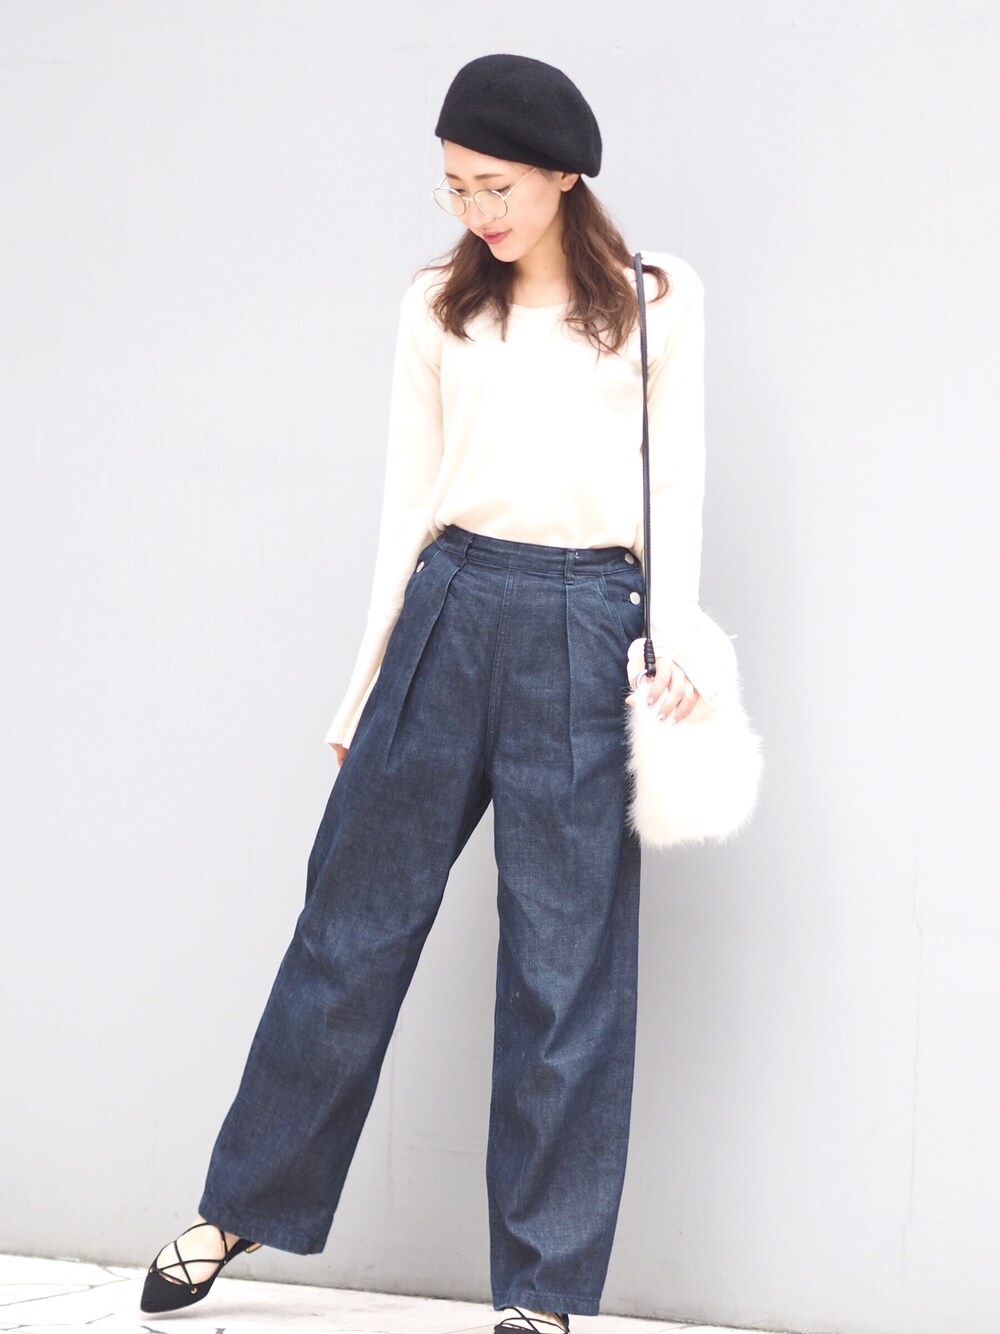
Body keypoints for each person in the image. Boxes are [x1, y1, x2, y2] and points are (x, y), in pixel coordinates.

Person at [141, 52, 713, 1331]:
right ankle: (240, 1204)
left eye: (496, 185)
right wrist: (363, 691)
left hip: (587, 619)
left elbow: (673, 483)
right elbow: (406, 506)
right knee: (347, 930)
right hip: (448, 608)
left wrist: (666, 639)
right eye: (455, 186)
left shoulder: (655, 301)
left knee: (565, 966)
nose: (476, 211)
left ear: (564, 176)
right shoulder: (435, 307)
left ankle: (542, 1288)